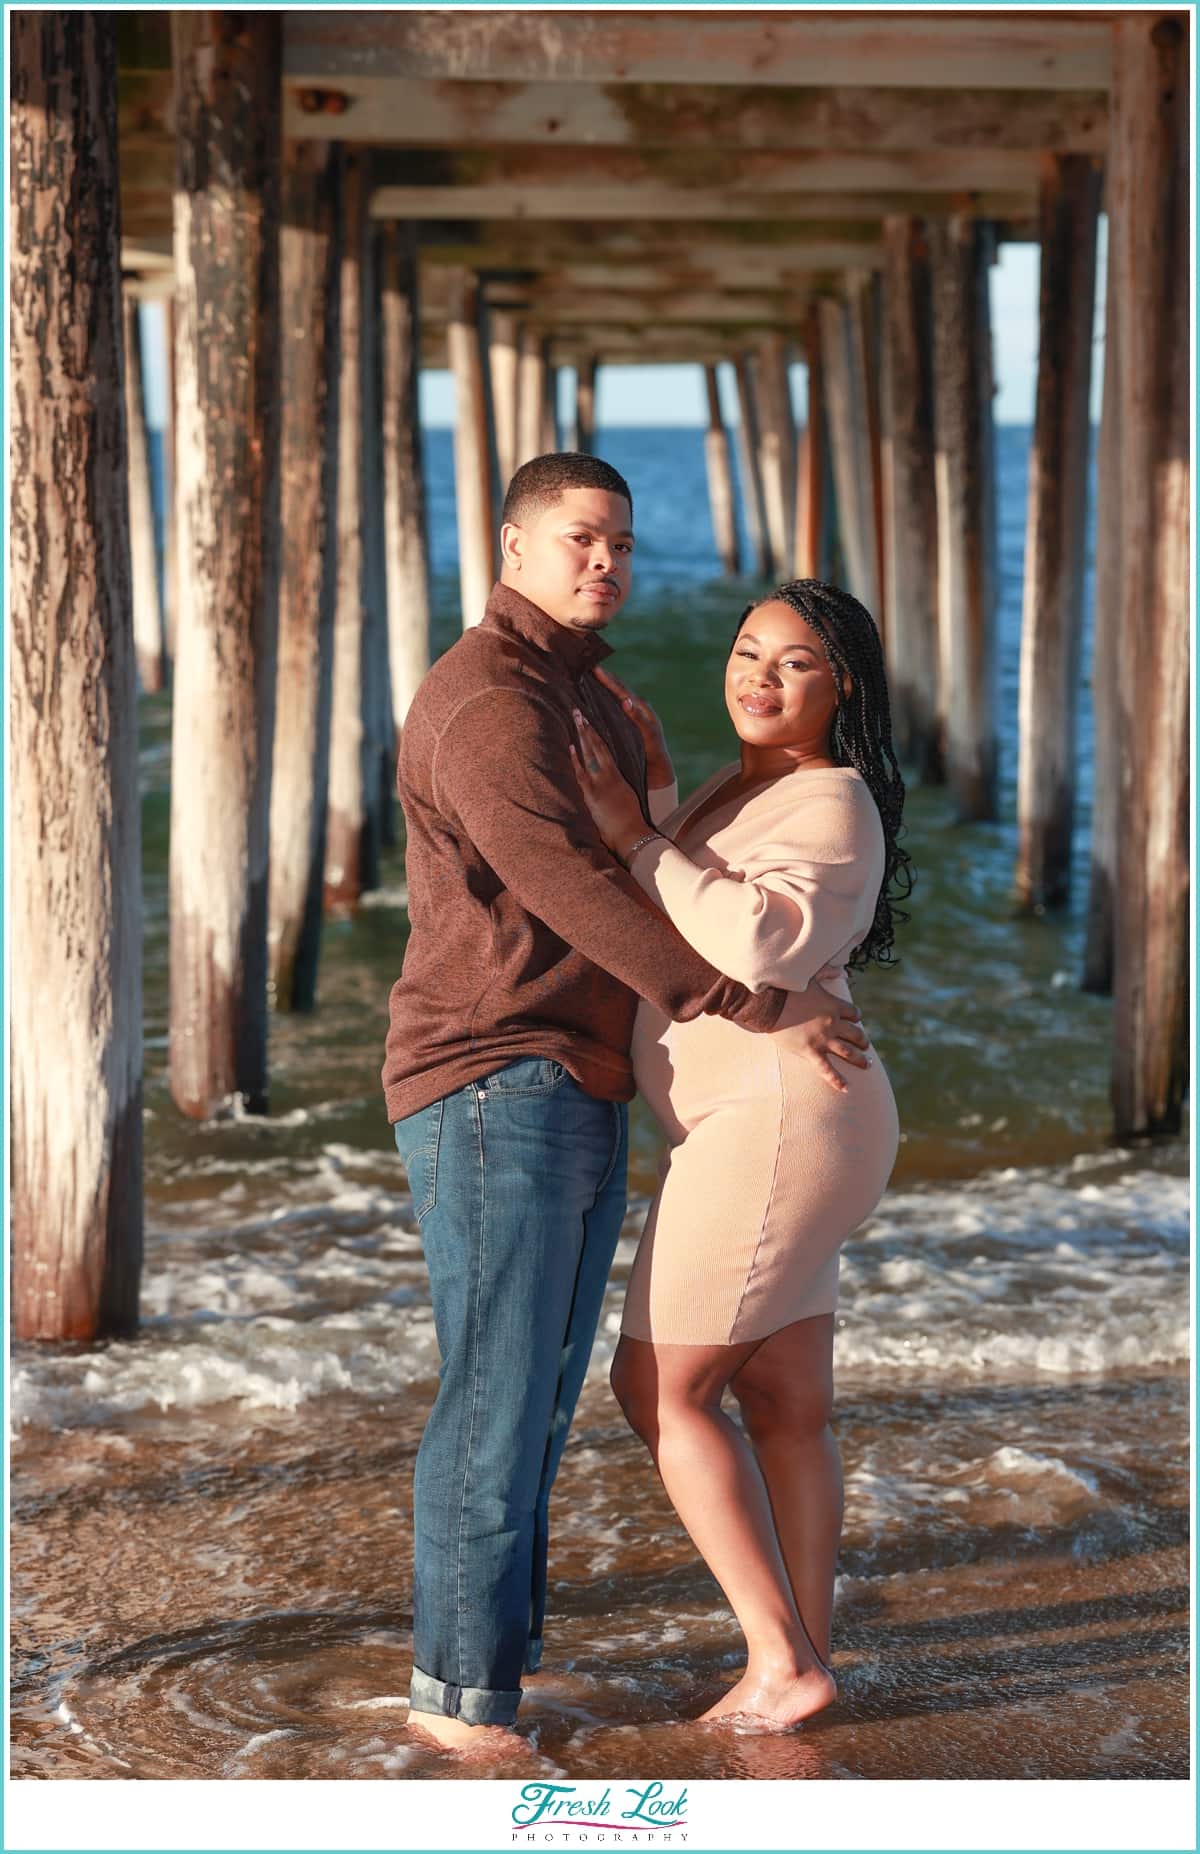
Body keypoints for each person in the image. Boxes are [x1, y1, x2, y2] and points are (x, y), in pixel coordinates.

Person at [383, 455, 870, 1755]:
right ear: (514, 546)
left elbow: (687, 866)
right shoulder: (492, 699)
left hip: (575, 1077)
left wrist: (798, 975)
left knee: (536, 1398)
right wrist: (751, 1002)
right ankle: (460, 1700)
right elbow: (566, 880)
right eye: (579, 539)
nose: (605, 562)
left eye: (621, 544)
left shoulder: (589, 698)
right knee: (500, 1396)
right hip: (495, 1065)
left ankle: (503, 1667)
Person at [572, 577, 910, 1731]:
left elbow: (758, 938)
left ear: (844, 684)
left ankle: (781, 1664)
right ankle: (805, 1658)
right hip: (789, 1120)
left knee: (657, 1386)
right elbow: (693, 891)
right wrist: (660, 796)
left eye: (796, 663)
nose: (759, 677)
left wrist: (628, 832)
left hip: (777, 1122)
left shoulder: (833, 799)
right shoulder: (747, 784)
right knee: (782, 1401)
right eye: (746, 652)